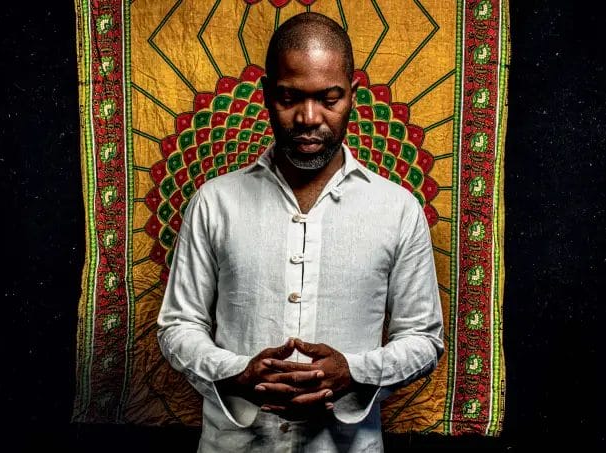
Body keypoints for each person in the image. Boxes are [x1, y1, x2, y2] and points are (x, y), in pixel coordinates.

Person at [157, 12, 444, 452]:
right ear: (266, 94)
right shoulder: (214, 202)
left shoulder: (398, 209)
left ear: (352, 95)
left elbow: (423, 339)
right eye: (290, 98)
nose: (309, 118)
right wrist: (237, 373)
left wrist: (354, 372)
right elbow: (179, 325)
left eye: (329, 99)